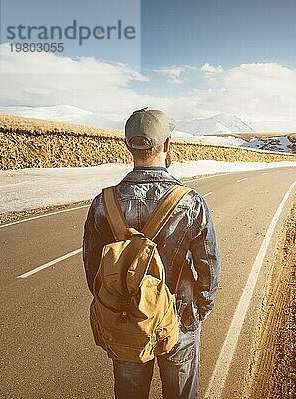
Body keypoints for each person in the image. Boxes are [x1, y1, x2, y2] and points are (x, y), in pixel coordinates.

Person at [82, 107, 221, 399]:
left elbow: (92, 267)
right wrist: (199, 309)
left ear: (128, 146)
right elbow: (208, 265)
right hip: (179, 316)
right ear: (166, 145)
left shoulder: (102, 203)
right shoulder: (190, 201)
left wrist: (112, 306)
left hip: (125, 317)